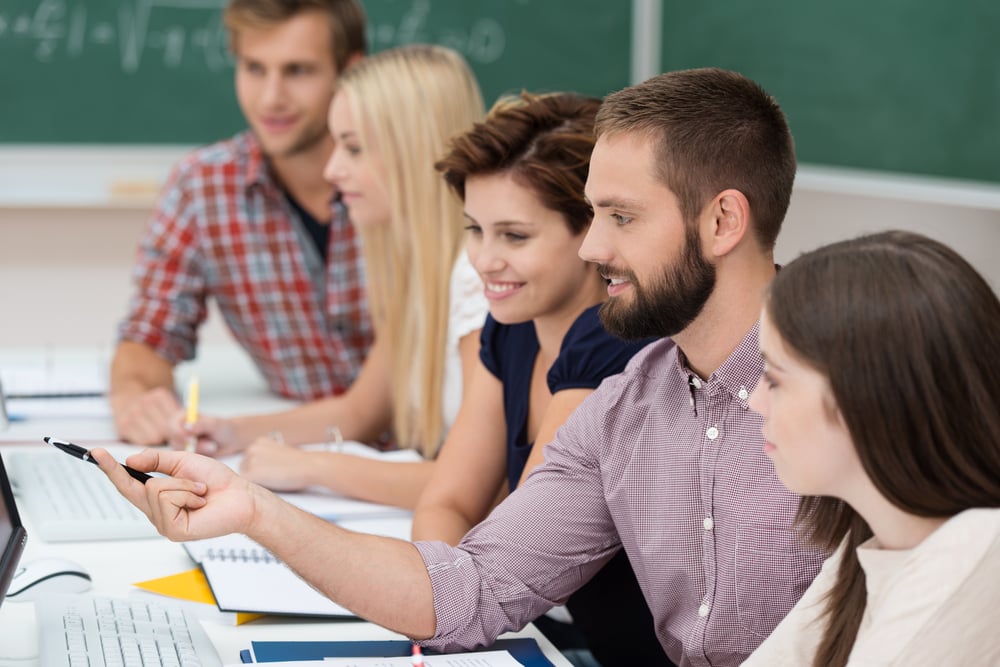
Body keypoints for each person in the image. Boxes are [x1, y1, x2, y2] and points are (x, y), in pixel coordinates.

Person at [95, 68, 825, 666]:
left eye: (621, 218)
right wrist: (255, 510)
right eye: (593, 213)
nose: (590, 246)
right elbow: (468, 588)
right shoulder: (624, 407)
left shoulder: (856, 386)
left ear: (724, 221)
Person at [173, 44, 489, 510]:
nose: (332, 170)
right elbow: (359, 412)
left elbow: (486, 485)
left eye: (354, 148)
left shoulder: (479, 279)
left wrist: (310, 467)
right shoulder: (420, 273)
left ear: (415, 152)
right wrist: (231, 432)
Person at [411, 92, 666, 665]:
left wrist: (448, 600)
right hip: (567, 638)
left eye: (515, 236)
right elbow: (448, 501)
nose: (484, 260)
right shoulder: (512, 328)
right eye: (476, 230)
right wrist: (441, 601)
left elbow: (511, 561)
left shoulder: (613, 342)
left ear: (592, 232)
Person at [110, 0, 374, 446]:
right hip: (298, 451)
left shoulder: (405, 181)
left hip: (428, 454)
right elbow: (150, 334)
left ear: (351, 72)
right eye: (254, 68)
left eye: (298, 71)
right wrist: (136, 399)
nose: (271, 97)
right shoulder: (202, 187)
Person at [741, 230, 1000, 667]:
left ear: (867, 395)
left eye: (775, 377)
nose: (754, 401)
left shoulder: (979, 551)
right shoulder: (872, 540)